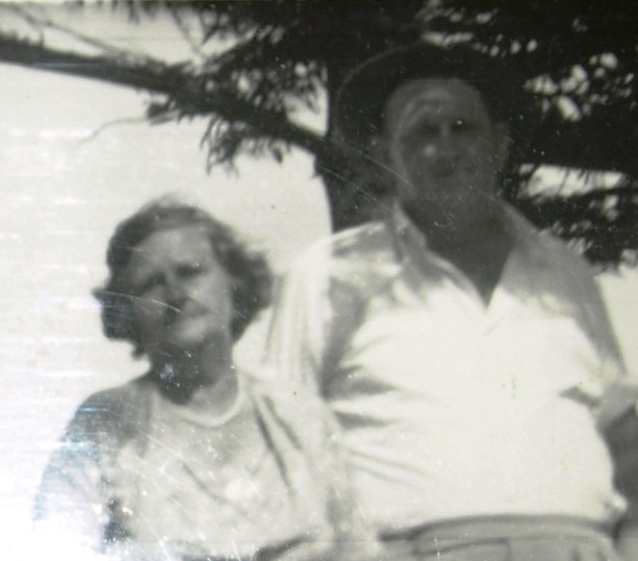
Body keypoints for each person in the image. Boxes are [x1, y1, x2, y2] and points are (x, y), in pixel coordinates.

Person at [265, 43, 638, 560]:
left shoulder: (564, 272)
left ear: (500, 145)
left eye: (463, 128)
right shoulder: (329, 275)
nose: (446, 149)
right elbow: (279, 431)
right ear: (383, 153)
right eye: (422, 133)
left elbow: (620, 427)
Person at [33, 199, 378, 561]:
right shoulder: (104, 424)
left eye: (190, 271)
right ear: (127, 310)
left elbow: (360, 549)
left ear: (234, 282)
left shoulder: (298, 415)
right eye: (151, 284)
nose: (176, 295)